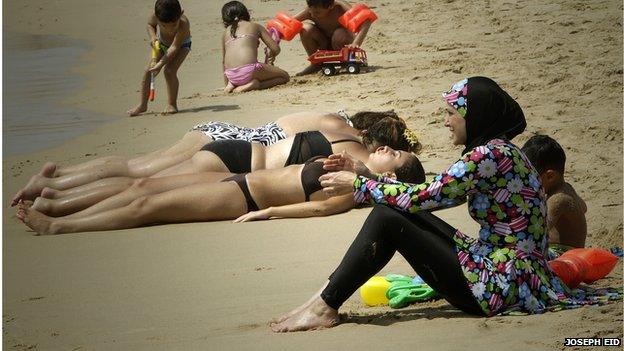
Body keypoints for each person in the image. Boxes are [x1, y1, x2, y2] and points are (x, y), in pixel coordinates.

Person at [270, 77, 618, 332]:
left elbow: (427, 195)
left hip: (501, 286)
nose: (446, 120)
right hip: (513, 275)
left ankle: (324, 305)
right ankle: (326, 295)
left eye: (453, 112)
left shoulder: (488, 154)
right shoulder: (500, 150)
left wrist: (359, 184)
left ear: (475, 115)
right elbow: (432, 191)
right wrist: (365, 174)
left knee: (388, 217)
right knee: (397, 212)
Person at [11, 111, 419, 207]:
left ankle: (61, 177)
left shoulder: (335, 123)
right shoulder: (352, 155)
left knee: (139, 168)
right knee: (142, 179)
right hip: (236, 154)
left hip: (233, 132)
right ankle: (57, 189)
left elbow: (282, 123)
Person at [16, 146, 425, 235]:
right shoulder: (350, 162)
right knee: (141, 184)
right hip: (237, 177)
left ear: (393, 177)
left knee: (146, 205)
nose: (390, 149)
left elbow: (317, 212)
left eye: (397, 156)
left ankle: (59, 226)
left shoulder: (352, 191)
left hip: (243, 197)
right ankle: (57, 201)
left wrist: (267, 213)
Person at [521, 135, 587, 258]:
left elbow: (537, 231)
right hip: (573, 254)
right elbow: (584, 207)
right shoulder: (567, 189)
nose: (527, 183)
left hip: (562, 256)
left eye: (530, 178)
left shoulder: (558, 200)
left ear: (550, 176)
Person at [127, 0, 192, 116]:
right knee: (148, 72)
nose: (169, 29)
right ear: (157, 17)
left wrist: (160, 65)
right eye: (164, 26)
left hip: (181, 46)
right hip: (161, 44)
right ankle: (142, 105)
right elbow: (150, 25)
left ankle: (172, 104)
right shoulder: (156, 16)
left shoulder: (184, 23)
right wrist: (153, 37)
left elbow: (174, 48)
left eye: (173, 25)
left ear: (181, 14)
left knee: (169, 71)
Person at [221, 1, 289, 93]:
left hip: (231, 75)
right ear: (246, 13)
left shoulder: (225, 33)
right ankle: (256, 85)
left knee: (247, 71)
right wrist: (270, 53)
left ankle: (232, 85)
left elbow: (223, 61)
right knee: (284, 76)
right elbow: (276, 49)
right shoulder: (255, 26)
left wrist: (227, 83)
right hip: (249, 70)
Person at [294, 0, 373, 76]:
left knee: (339, 33)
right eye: (311, 12)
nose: (313, 15)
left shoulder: (341, 8)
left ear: (331, 6)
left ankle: (345, 63)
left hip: (342, 44)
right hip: (323, 43)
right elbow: (289, 23)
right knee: (305, 29)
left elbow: (366, 21)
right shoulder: (311, 9)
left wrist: (356, 43)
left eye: (317, 13)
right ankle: (316, 64)